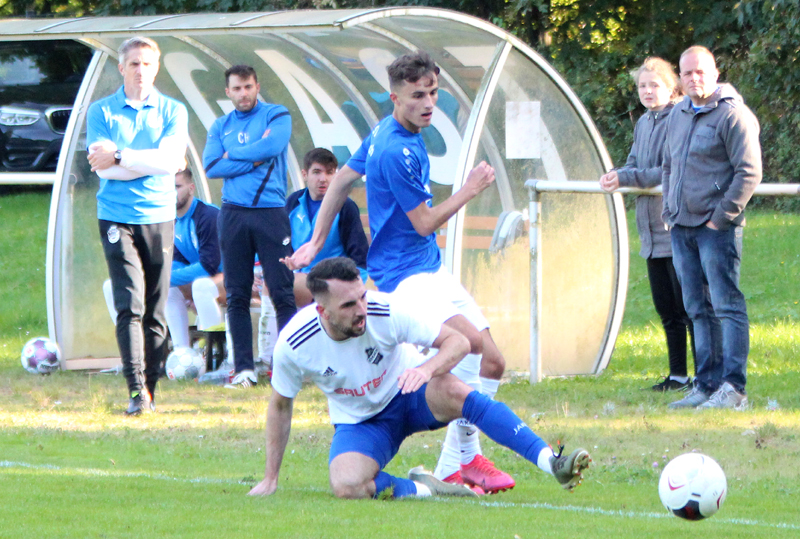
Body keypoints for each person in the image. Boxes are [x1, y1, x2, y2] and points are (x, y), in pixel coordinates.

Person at [284, 51, 513, 494]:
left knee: (493, 360)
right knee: (470, 351)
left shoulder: (386, 132)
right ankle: (458, 460)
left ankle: (457, 461)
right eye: (417, 96)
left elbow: (343, 181)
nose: (428, 103)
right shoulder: (395, 150)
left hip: (429, 268)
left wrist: (314, 240)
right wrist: (468, 190)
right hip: (406, 279)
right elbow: (424, 222)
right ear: (395, 97)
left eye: (432, 92)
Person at [247, 257, 590, 499]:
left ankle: (552, 463)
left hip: (412, 395)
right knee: (347, 486)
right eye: (349, 305)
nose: (362, 309)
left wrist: (426, 370)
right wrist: (270, 478)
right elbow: (279, 405)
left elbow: (460, 342)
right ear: (322, 311)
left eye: (363, 296)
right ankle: (429, 488)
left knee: (457, 391)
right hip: (362, 423)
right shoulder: (295, 343)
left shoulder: (385, 310)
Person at [87, 36, 188, 415]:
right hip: (116, 216)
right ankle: (135, 391)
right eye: (134, 64)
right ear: (122, 68)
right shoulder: (101, 111)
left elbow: (171, 162)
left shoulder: (174, 110)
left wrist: (123, 156)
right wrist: (144, 161)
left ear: (156, 67)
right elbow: (103, 166)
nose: (140, 71)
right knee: (129, 303)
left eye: (147, 64)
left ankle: (151, 388)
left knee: (156, 309)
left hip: (159, 216)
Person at [662, 46, 762, 410]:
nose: (694, 79)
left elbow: (749, 172)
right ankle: (706, 384)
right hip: (681, 227)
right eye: (687, 73)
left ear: (715, 72)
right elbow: (669, 164)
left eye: (701, 72)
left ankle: (733, 389)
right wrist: (668, 207)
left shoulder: (733, 116)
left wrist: (719, 218)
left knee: (726, 306)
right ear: (680, 77)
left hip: (716, 228)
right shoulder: (678, 115)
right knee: (696, 308)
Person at [600, 57, 698, 392]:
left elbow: (666, 171)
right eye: (642, 86)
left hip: (675, 228)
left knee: (690, 309)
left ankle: (703, 378)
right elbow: (634, 163)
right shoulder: (643, 122)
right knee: (667, 309)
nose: (647, 91)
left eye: (654, 85)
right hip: (650, 234)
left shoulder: (679, 119)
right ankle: (677, 375)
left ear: (671, 87)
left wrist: (627, 177)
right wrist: (619, 174)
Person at [203, 64, 297, 389]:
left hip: (271, 212)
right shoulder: (220, 125)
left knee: (281, 291)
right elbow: (212, 166)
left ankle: (289, 366)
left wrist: (236, 156)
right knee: (237, 293)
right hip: (232, 214)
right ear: (228, 93)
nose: (243, 94)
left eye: (248, 87)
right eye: (236, 89)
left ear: (257, 86)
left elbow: (273, 147)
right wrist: (252, 158)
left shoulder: (277, 115)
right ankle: (243, 369)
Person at [102, 169, 224, 351]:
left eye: (177, 186)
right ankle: (179, 351)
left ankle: (214, 353)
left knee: (194, 286)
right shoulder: (168, 219)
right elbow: (175, 262)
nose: (172, 192)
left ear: (191, 188)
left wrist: (161, 280)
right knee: (113, 285)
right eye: (167, 187)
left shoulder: (208, 216)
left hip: (232, 275)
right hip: (202, 278)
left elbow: (209, 266)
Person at [287, 148, 369, 306]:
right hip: (300, 278)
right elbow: (283, 245)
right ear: (305, 175)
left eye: (329, 172)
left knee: (280, 284)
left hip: (333, 281)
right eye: (317, 172)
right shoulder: (293, 203)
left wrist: (354, 291)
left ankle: (277, 331)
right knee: (244, 284)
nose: (323, 179)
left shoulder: (345, 207)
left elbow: (360, 259)